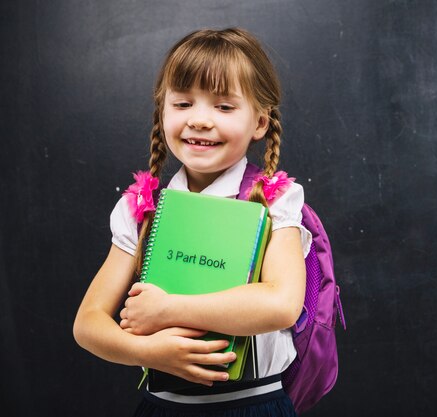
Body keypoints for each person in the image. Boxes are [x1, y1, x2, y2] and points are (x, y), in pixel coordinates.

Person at [73, 28, 310, 417]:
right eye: (182, 104)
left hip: (252, 406)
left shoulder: (273, 200)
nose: (200, 120)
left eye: (224, 107)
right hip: (161, 407)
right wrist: (145, 351)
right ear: (162, 112)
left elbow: (281, 304)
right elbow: (88, 324)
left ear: (261, 123)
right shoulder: (141, 207)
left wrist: (168, 310)